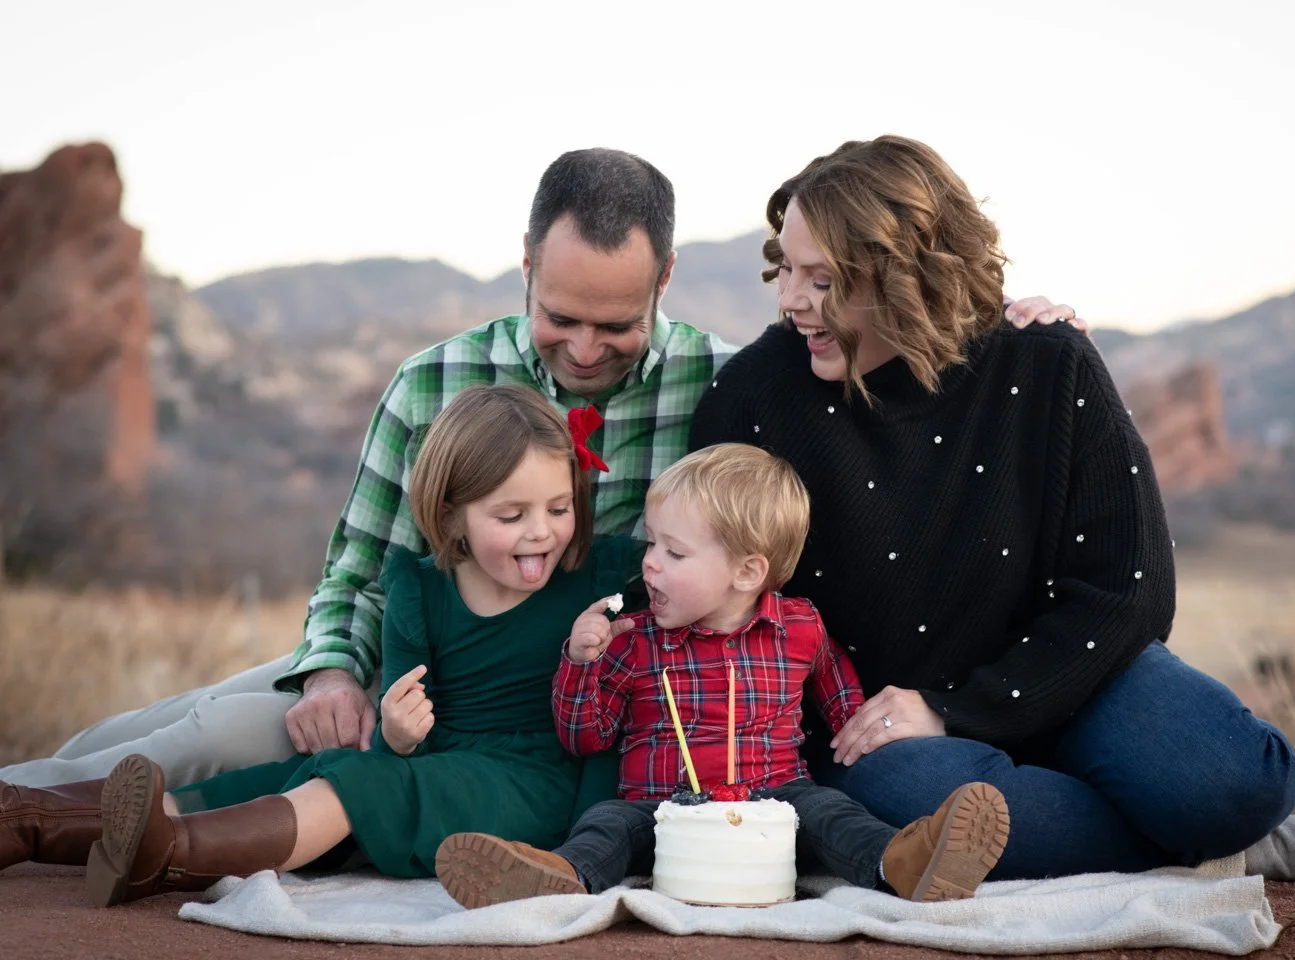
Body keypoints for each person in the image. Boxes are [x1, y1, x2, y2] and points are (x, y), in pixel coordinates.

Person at [0, 147, 1073, 794]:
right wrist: (333, 673)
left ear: (665, 280)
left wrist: (1003, 321)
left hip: (557, 701)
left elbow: (880, 345)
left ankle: (39, 808)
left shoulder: (726, 385)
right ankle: (28, 795)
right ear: (523, 264)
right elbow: (357, 568)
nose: (589, 348)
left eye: (618, 321)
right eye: (561, 316)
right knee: (197, 721)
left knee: (214, 739)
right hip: (418, 668)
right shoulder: (436, 381)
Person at [685, 135, 1295, 885]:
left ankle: (1220, 827)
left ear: (905, 277)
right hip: (898, 736)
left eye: (822, 279)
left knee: (1235, 782)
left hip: (1077, 680)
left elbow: (1130, 592)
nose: (788, 301)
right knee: (901, 806)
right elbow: (719, 590)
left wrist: (960, 707)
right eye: (787, 270)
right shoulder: (755, 400)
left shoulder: (1044, 360)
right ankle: (1241, 850)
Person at [81, 384, 638, 905]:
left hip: (533, 784)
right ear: (451, 514)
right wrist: (397, 732)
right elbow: (401, 740)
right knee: (276, 781)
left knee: (353, 784)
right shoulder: (417, 589)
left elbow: (694, 568)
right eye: (512, 515)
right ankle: (32, 825)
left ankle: (168, 857)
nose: (542, 531)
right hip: (440, 764)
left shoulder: (600, 578)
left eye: (559, 509)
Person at [432, 444, 1011, 909]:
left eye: (674, 553)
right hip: (660, 809)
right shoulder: (632, 640)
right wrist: (581, 663)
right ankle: (558, 878)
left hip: (775, 800)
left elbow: (844, 707)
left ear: (746, 571)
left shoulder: (800, 627)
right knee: (604, 823)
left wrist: (868, 732)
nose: (650, 563)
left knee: (833, 814)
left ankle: (906, 865)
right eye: (651, 544)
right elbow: (584, 738)